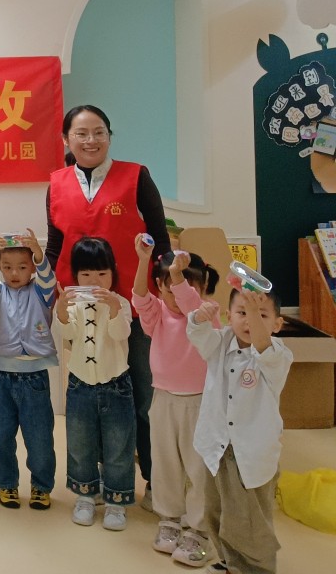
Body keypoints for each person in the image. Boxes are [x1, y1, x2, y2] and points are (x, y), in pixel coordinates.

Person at [46, 104, 171, 505]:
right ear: (66, 140)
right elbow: (55, 246)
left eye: (99, 132)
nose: (91, 140)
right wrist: (43, 292)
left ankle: (156, 481)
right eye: (81, 134)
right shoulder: (56, 183)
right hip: (82, 313)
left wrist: (172, 289)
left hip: (133, 309)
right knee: (92, 395)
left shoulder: (136, 177)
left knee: (144, 396)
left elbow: (161, 240)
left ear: (109, 136)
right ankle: (98, 480)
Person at [187, 287, 293, 574]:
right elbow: (197, 334)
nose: (249, 320)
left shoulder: (277, 355)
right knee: (216, 509)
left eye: (261, 314)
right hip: (216, 446)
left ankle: (253, 568)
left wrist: (251, 310)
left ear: (277, 324)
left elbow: (262, 345)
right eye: (242, 312)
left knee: (247, 519)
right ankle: (228, 560)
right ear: (229, 316)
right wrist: (199, 317)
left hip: (250, 454)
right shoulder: (221, 342)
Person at [133, 239, 221, 568]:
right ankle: (170, 518)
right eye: (169, 288)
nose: (177, 296)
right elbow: (139, 297)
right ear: (160, 286)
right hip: (163, 399)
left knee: (199, 468)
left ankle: (199, 529)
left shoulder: (206, 314)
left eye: (185, 287)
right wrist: (144, 260)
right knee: (166, 464)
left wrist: (177, 276)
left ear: (201, 288)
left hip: (199, 403)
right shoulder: (158, 314)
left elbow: (190, 305)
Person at [53, 236, 135, 531]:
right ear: (76, 276)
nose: (94, 280)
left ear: (113, 273)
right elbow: (67, 335)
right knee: (80, 444)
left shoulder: (121, 302)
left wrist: (113, 308)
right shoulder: (74, 303)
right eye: (86, 274)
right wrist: (61, 310)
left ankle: (116, 501)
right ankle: (86, 496)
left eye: (102, 273)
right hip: (80, 385)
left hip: (116, 386)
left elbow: (120, 333)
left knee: (119, 446)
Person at [0, 228, 57, 510]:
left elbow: (49, 278)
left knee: (39, 438)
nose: (15, 273)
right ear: (0, 267)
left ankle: (41, 486)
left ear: (32, 268)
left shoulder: (42, 292)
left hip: (35, 377)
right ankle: (7, 484)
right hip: (1, 377)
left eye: (23, 267)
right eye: (7, 267)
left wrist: (37, 251)